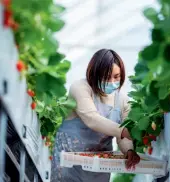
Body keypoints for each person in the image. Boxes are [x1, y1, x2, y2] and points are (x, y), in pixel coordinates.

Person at [51, 49, 140, 182]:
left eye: (116, 76)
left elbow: (123, 138)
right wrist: (123, 131)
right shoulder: (80, 88)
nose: (111, 81)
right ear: (94, 73)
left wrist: (129, 151)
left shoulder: (123, 101)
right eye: (106, 76)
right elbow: (92, 119)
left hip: (98, 169)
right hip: (68, 165)